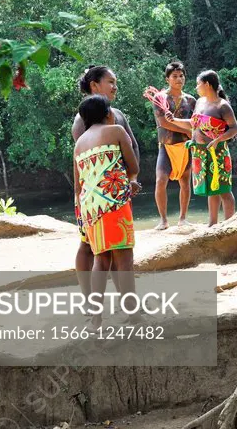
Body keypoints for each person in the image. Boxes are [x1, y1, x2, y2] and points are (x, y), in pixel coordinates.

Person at [71, 66, 140, 298]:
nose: (115, 86)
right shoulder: (83, 121)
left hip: (97, 198)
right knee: (107, 253)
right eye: (110, 81)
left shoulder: (117, 115)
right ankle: (121, 306)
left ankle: (102, 308)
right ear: (94, 85)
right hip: (107, 198)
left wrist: (132, 179)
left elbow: (133, 147)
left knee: (103, 255)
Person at [164, 70, 237, 226]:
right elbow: (193, 124)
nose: (196, 87)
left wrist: (218, 139)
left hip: (217, 151)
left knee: (223, 188)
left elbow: (234, 129)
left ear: (207, 84)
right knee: (212, 188)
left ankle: (230, 224)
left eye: (198, 84)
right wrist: (174, 120)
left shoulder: (222, 105)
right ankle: (212, 224)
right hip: (200, 151)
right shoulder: (200, 102)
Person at [151, 61, 197, 230]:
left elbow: (195, 123)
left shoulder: (191, 100)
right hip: (166, 145)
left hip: (185, 146)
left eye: (181, 75)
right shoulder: (160, 98)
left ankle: (183, 218)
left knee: (185, 182)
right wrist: (187, 131)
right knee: (160, 180)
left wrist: (190, 132)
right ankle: (163, 220)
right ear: (167, 79)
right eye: (175, 76)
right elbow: (163, 123)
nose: (179, 79)